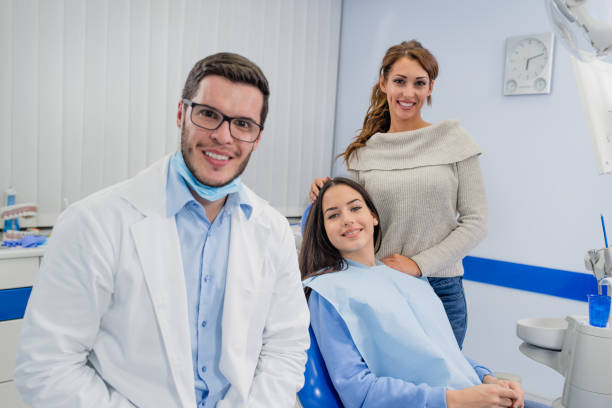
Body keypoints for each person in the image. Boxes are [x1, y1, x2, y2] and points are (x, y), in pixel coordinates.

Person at [14, 52, 310, 408]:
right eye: (209, 115)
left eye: (243, 124)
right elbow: (47, 368)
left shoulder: (272, 230)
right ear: (181, 114)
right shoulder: (93, 223)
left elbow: (286, 346)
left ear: (257, 138)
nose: (223, 136)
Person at [300, 177, 548, 408]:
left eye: (355, 208)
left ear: (373, 217)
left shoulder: (409, 279)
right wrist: (454, 400)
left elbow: (444, 351)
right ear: (322, 229)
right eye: (333, 215)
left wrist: (488, 380)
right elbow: (358, 392)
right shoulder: (327, 292)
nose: (347, 219)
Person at [309, 40, 488, 348]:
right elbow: (359, 222)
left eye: (419, 83)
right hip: (380, 284)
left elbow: (477, 222)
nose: (409, 93)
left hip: (440, 288)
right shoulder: (365, 152)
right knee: (393, 387)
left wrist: (419, 264)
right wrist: (326, 193)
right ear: (384, 83)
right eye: (399, 82)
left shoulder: (453, 139)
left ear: (430, 87)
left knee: (443, 388)